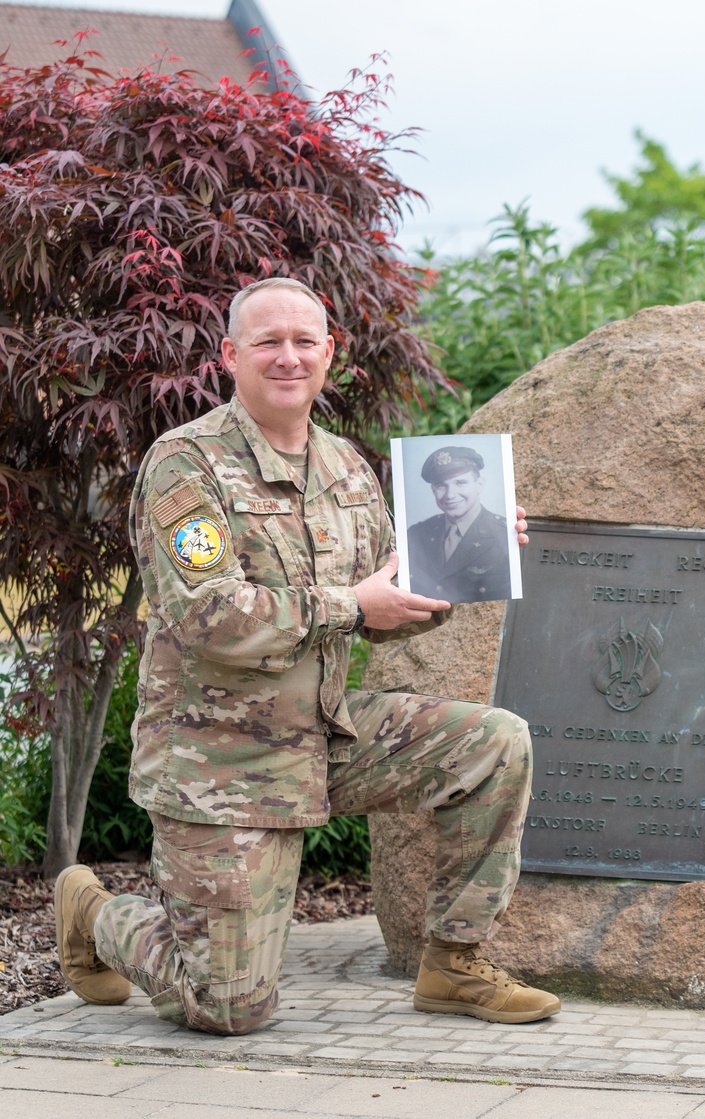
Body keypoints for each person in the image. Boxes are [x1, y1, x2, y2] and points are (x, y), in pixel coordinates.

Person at [53, 276, 559, 1035]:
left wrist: (468, 557)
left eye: (303, 342)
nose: (287, 357)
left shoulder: (348, 471)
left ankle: (453, 963)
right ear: (230, 354)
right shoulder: (187, 464)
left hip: (323, 733)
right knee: (227, 1007)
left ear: (328, 354)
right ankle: (95, 913)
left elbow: (386, 604)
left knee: (495, 741)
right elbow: (207, 616)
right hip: (218, 761)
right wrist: (353, 604)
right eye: (267, 341)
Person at [407, 446, 512, 603]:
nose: (450, 495)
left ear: (479, 485)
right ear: (433, 490)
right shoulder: (416, 534)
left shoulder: (505, 535)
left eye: (460, 483)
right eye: (441, 485)